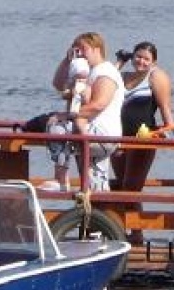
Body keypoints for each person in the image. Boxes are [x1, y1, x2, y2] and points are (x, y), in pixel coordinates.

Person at [49, 32, 123, 191]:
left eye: (83, 48)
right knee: (95, 187)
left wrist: (67, 115)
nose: (80, 53)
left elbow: (98, 105)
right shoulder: (84, 71)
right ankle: (98, 212)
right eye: (76, 49)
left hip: (102, 133)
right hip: (88, 131)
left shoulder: (106, 72)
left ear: (97, 48)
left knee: (57, 128)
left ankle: (60, 179)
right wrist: (67, 60)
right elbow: (58, 84)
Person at [113, 41, 174, 192]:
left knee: (131, 188)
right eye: (137, 57)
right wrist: (120, 61)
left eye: (146, 59)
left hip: (142, 140)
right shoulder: (121, 76)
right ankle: (126, 216)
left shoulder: (155, 76)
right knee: (121, 186)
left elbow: (167, 116)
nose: (141, 61)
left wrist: (160, 132)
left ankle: (133, 214)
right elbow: (101, 80)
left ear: (153, 62)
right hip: (118, 138)